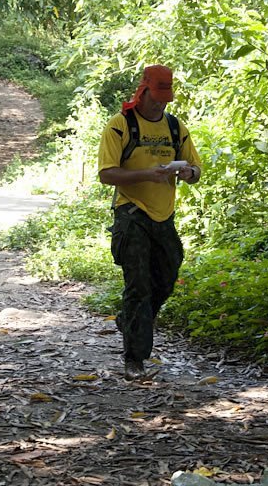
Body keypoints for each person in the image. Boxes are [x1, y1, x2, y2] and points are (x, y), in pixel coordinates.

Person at [98, 65, 201, 381]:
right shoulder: (120, 126)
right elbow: (106, 174)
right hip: (132, 215)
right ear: (143, 91)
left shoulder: (174, 127)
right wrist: (147, 173)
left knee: (167, 278)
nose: (161, 104)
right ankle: (135, 358)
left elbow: (196, 169)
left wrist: (188, 173)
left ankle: (130, 319)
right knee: (139, 285)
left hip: (164, 217)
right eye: (156, 97)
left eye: (165, 98)